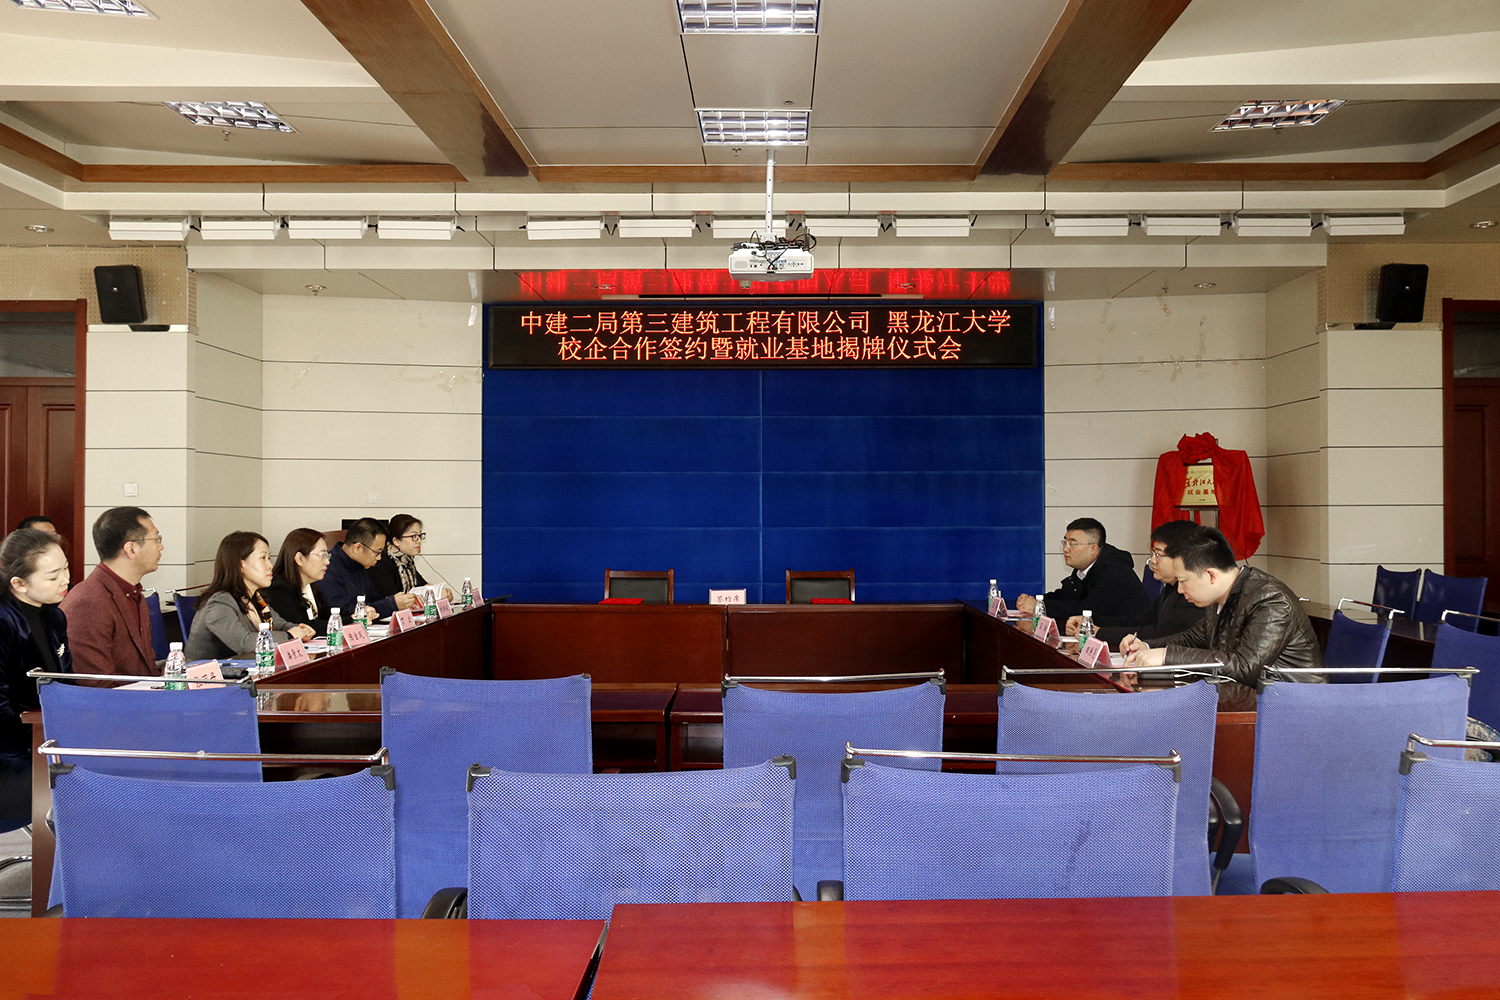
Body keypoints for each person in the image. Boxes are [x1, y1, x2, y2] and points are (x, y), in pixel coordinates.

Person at [1120, 525, 1325, 686]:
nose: (1180, 590)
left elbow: (1244, 666)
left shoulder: (1271, 600)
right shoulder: (1220, 595)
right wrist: (1147, 646)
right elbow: (1194, 637)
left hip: (1294, 704)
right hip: (1249, 696)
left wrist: (1166, 656)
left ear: (1211, 575)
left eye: (1183, 581)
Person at [0, 528, 71, 823]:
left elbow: (68, 685)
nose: (65, 580)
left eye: (65, 568)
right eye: (53, 577)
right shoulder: (4, 622)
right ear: (18, 583)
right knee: (86, 787)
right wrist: (45, 741)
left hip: (47, 741)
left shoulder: (54, 616)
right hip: (11, 756)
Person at [59, 506, 162, 680]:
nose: (161, 546)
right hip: (114, 696)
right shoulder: (88, 602)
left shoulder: (133, 593)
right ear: (131, 549)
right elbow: (95, 683)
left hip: (142, 692)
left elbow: (147, 667)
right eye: (156, 539)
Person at [184, 532, 314, 661]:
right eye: (263, 558)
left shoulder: (256, 599)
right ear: (240, 565)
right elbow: (243, 642)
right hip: (207, 673)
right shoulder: (219, 602)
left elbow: (279, 625)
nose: (270, 565)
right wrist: (289, 635)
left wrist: (300, 630)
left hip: (245, 668)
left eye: (268, 558)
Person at [1074, 519, 1204, 646]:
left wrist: (1100, 633)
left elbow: (1160, 634)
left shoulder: (1193, 595)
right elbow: (1138, 622)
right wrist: (1091, 623)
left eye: (1158, 555)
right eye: (1153, 553)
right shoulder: (1170, 589)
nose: (1152, 560)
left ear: (1182, 558)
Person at [1015, 517, 1151, 625]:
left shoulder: (1114, 571)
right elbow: (1067, 596)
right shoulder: (1085, 566)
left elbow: (1087, 610)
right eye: (1064, 542)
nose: (1065, 549)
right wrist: (1036, 600)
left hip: (1129, 637)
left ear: (1093, 548)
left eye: (1072, 544)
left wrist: (1039, 606)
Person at [321, 518, 417, 623]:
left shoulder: (360, 564)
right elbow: (342, 612)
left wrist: (393, 602)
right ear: (357, 548)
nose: (379, 558)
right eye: (377, 553)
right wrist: (392, 604)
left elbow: (373, 600)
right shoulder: (327, 568)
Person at [263, 529, 333, 636]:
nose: (327, 562)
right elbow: (302, 627)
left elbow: (328, 618)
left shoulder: (311, 586)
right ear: (300, 559)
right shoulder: (278, 589)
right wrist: (349, 622)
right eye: (322, 555)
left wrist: (354, 618)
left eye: (327, 556)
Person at [369, 513, 450, 602]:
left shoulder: (407, 563)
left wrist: (440, 592)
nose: (419, 540)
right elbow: (393, 599)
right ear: (396, 541)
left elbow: (424, 587)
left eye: (420, 535)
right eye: (413, 536)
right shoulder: (382, 563)